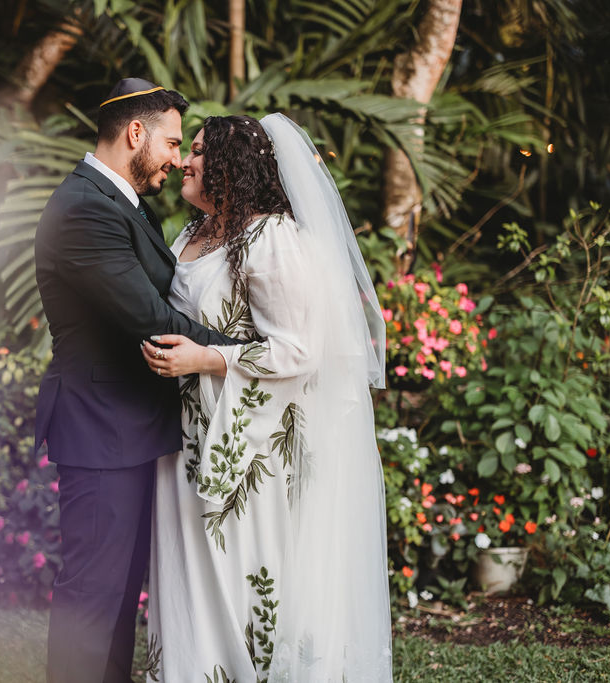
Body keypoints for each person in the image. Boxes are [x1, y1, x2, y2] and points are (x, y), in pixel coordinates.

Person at [142, 114, 394, 681]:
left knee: (238, 578)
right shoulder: (192, 234)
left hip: (248, 450)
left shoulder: (272, 239)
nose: (187, 160)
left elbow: (299, 349)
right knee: (187, 581)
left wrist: (206, 358)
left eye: (201, 152)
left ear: (232, 167)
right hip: (182, 439)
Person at [33, 79, 243, 683]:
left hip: (127, 430)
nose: (178, 158)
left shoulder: (119, 200)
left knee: (119, 600)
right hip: (101, 430)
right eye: (174, 142)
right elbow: (152, 320)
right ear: (135, 134)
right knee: (92, 599)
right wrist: (253, 354)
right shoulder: (84, 210)